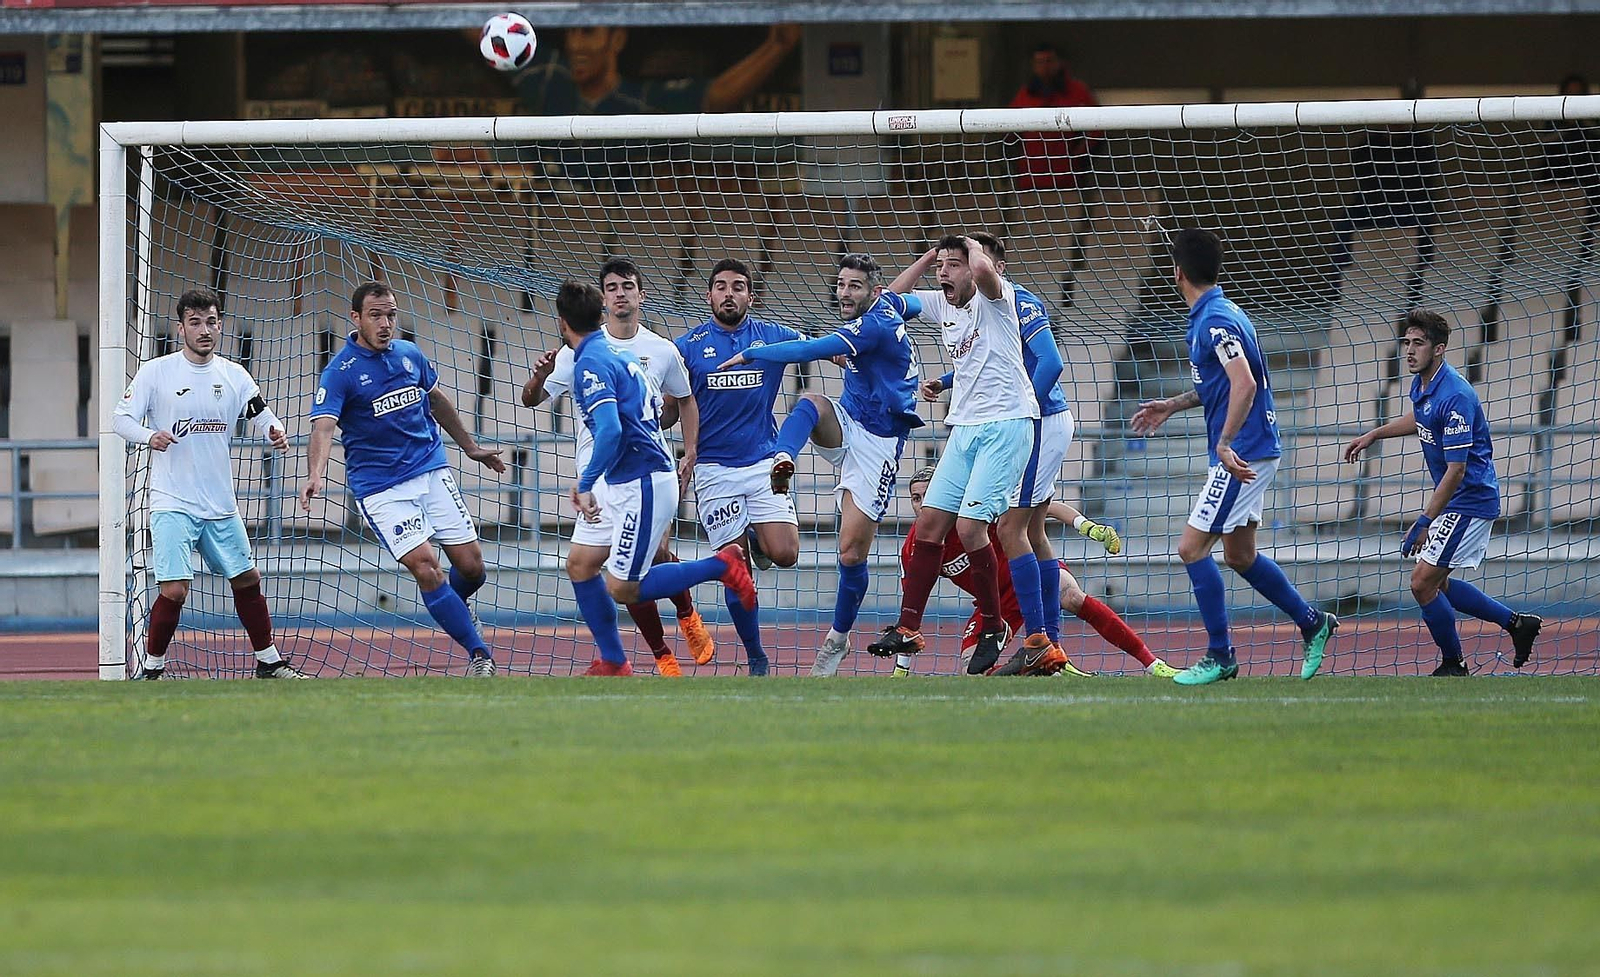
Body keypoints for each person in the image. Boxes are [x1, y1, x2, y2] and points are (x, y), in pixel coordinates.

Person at [1129, 228, 1338, 686]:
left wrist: (1224, 444)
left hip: (1242, 452)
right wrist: (1171, 405)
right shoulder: (1224, 312)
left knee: (1190, 547)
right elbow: (1221, 385)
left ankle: (1220, 656)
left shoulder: (1214, 321)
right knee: (1240, 554)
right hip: (1256, 447)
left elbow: (1244, 383)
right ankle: (1312, 622)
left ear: (1177, 272)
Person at [714, 254, 923, 676]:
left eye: (854, 287)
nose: (844, 293)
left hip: (879, 446)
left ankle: (838, 639)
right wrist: (929, 259)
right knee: (810, 401)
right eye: (842, 284)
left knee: (851, 553)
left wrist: (755, 352)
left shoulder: (873, 325)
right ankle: (784, 455)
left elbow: (810, 348)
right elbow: (906, 296)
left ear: (871, 292)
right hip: (847, 420)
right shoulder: (891, 306)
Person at [300, 282, 506, 677]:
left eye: (391, 315)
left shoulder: (410, 355)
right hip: (381, 489)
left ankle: (452, 608)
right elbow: (323, 427)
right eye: (376, 315)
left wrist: (470, 447)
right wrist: (315, 475)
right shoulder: (340, 372)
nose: (385, 323)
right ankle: (480, 654)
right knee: (428, 567)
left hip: (431, 471)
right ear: (356, 318)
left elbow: (437, 400)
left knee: (474, 568)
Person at [521, 259, 716, 676]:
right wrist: (538, 379)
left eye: (628, 286)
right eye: (612, 287)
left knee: (638, 569)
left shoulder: (654, 350)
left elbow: (672, 405)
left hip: (636, 474)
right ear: (602, 302)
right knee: (582, 565)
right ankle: (629, 657)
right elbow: (531, 399)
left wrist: (691, 451)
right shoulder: (580, 357)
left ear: (640, 294)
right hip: (612, 477)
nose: (620, 293)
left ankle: (692, 606)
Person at [554, 280, 757, 676]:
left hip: (641, 482)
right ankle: (614, 659)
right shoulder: (617, 355)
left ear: (563, 324)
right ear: (600, 316)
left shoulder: (591, 364)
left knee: (622, 586)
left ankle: (722, 565)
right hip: (630, 479)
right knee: (580, 563)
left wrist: (584, 481)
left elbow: (611, 431)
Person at [869, 235, 1043, 676]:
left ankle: (992, 626)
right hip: (964, 427)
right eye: (941, 266)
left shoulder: (998, 298)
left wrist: (968, 245)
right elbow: (888, 302)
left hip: (1006, 423)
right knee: (928, 523)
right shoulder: (941, 303)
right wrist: (930, 257)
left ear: (973, 266)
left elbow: (985, 271)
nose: (944, 273)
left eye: (953, 265)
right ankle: (908, 628)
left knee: (969, 527)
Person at [112, 288, 307, 680]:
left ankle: (268, 662)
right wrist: (149, 436)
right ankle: (152, 669)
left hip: (220, 504)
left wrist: (275, 431)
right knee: (175, 590)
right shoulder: (156, 372)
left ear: (220, 324)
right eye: (196, 322)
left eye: (212, 322)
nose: (205, 330)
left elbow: (260, 412)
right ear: (181, 326)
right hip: (173, 502)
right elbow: (120, 419)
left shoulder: (232, 375)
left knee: (248, 579)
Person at [1342, 310, 1542, 675]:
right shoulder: (1422, 384)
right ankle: (1517, 624)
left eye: (1418, 343)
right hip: (1457, 500)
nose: (1409, 350)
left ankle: (1454, 663)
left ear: (1439, 349)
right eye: (1406, 342)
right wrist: (1373, 434)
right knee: (1438, 582)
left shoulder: (1456, 395)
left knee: (1421, 583)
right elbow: (1420, 418)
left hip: (1470, 501)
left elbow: (1457, 469)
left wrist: (1424, 521)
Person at [923, 233, 1087, 674]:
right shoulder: (972, 312)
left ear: (996, 266)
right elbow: (986, 360)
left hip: (1038, 419)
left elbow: (1050, 363)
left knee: (1011, 528)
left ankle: (1040, 640)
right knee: (1031, 531)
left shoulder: (1021, 301)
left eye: (974, 262)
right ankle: (1049, 641)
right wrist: (946, 380)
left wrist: (1020, 413)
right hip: (1028, 419)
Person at [895, 467, 1176, 678]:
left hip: (1027, 576)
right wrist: (901, 670)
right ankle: (1031, 668)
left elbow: (1047, 507)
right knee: (971, 673)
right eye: (915, 498)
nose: (922, 504)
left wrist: (1087, 526)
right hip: (995, 605)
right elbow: (912, 608)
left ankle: (1152, 663)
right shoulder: (914, 550)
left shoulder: (977, 511)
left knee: (1072, 596)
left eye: (929, 495)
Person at [674, 258, 803, 675]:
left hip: (764, 463)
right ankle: (756, 657)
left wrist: (850, 355)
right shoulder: (687, 347)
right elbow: (670, 409)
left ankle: (756, 535)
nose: (729, 293)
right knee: (735, 569)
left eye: (738, 286)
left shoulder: (773, 337)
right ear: (709, 295)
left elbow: (820, 347)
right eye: (721, 286)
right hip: (713, 472)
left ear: (750, 295)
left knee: (785, 554)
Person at [509, 25, 801, 116]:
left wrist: (778, 46)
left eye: (587, 32)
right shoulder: (548, 77)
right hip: (562, 215)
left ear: (618, 39)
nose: (576, 45)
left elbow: (715, 97)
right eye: (571, 33)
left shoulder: (643, 99)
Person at [1006, 42, 1102, 191]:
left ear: (1060, 63)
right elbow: (1009, 133)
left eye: (1049, 61)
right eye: (1039, 62)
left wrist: (1077, 158)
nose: (1045, 67)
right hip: (1029, 181)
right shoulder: (1025, 94)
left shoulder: (1077, 92)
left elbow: (1097, 132)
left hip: (1068, 181)